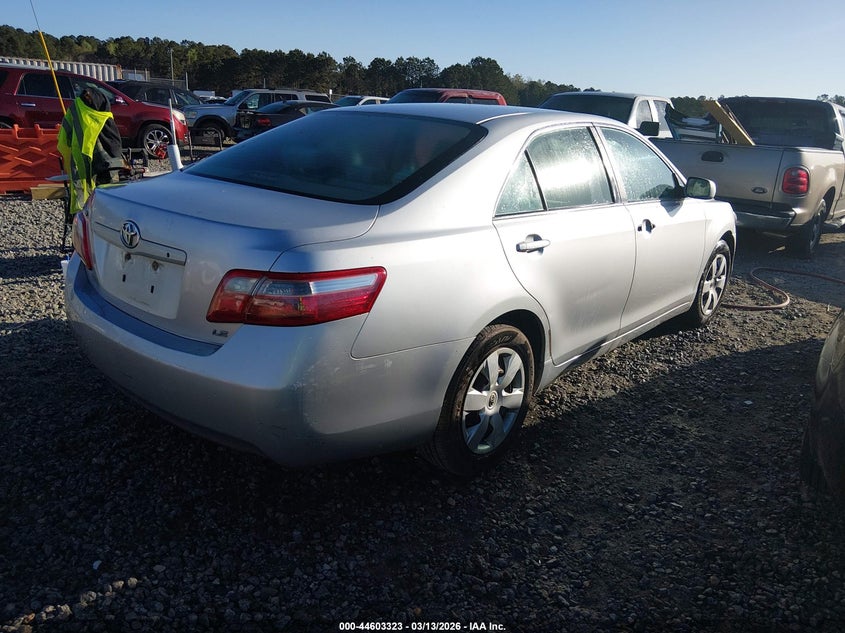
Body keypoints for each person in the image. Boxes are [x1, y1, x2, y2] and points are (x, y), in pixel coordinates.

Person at [57, 87, 126, 215]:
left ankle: (81, 217)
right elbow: (115, 149)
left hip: (79, 162)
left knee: (81, 193)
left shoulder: (76, 110)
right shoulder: (102, 118)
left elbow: (63, 140)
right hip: (103, 168)